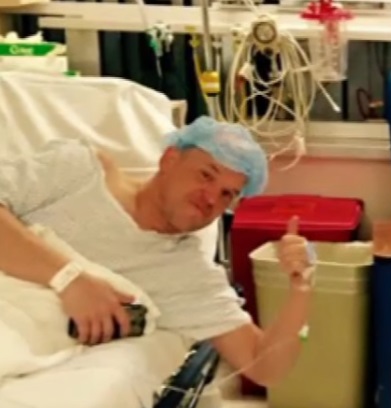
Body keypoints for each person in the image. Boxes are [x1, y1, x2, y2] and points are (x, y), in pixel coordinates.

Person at [0, 116, 310, 387]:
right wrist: (69, 279)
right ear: (169, 159)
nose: (211, 199)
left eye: (227, 194)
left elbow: (265, 367)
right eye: (206, 175)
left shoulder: (186, 273)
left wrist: (300, 288)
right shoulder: (79, 171)